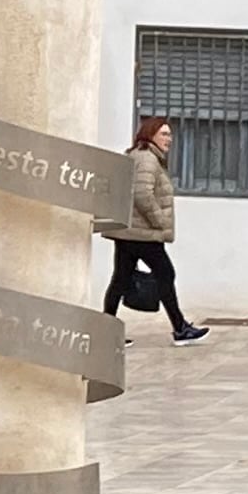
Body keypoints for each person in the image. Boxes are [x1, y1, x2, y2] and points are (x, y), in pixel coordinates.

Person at [100, 115, 210, 343]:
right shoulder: (147, 159)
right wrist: (159, 220)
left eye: (170, 134)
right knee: (165, 274)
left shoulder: (140, 156)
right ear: (151, 135)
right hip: (142, 233)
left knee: (120, 279)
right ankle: (180, 328)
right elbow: (142, 194)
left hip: (129, 231)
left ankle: (106, 334)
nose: (169, 139)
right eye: (164, 134)